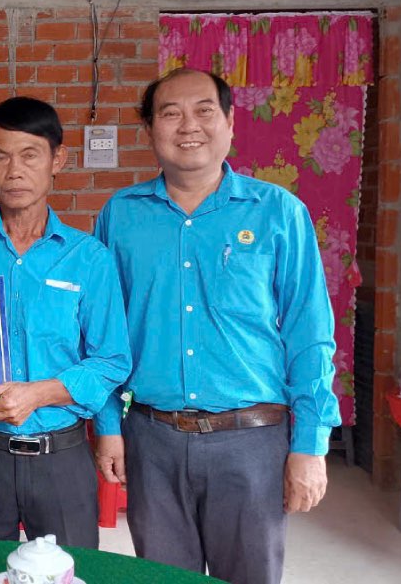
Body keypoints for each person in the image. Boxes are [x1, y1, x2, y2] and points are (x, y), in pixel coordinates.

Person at [94, 68, 340, 584]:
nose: (189, 125)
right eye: (170, 113)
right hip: (152, 439)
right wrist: (110, 427)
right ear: (149, 130)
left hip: (251, 440)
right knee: (164, 579)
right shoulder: (121, 215)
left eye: (205, 110)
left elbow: (310, 334)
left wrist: (310, 445)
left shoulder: (279, 213)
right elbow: (104, 333)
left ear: (230, 122)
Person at [0, 96, 131, 547]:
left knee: (67, 574)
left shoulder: (88, 258)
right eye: (1, 156)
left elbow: (112, 359)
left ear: (57, 159)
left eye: (30, 155)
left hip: (61, 455)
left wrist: (38, 394)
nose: (14, 170)